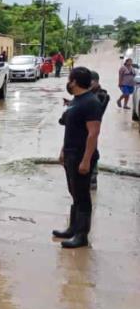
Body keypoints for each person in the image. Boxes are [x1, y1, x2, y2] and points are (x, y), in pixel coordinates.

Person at [53, 67, 102, 249]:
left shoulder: (91, 102)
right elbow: (70, 129)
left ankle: (82, 235)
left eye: (69, 79)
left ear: (74, 81)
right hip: (71, 153)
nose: (68, 82)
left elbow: (93, 133)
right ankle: (73, 228)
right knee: (74, 193)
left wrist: (86, 160)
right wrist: (63, 151)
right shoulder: (76, 100)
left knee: (82, 196)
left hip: (82, 155)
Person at [89, 71, 110, 190]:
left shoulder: (102, 95)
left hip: (93, 129)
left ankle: (93, 177)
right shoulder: (87, 94)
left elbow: (98, 106)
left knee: (92, 151)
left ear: (96, 81)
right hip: (82, 129)